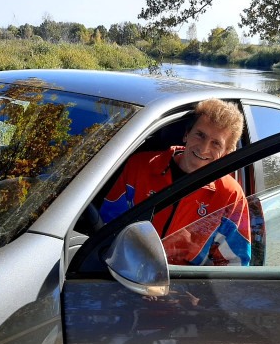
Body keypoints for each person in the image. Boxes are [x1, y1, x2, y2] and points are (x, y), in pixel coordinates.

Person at [100, 99, 251, 266]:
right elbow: (107, 228)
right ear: (186, 134)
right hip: (124, 273)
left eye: (216, 143)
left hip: (184, 287)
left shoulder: (231, 195)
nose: (203, 148)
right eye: (200, 135)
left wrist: (195, 290)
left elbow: (234, 264)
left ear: (225, 153)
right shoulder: (139, 166)